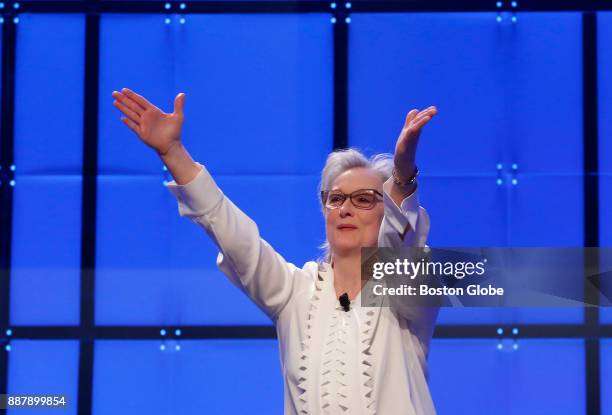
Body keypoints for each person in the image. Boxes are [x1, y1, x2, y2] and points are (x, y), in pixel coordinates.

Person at [111, 88, 440, 414]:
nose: (346, 209)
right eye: (336, 198)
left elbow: (403, 249)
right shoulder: (296, 291)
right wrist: (173, 153)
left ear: (386, 212)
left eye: (364, 199)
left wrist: (402, 177)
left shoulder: (407, 293)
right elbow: (236, 238)